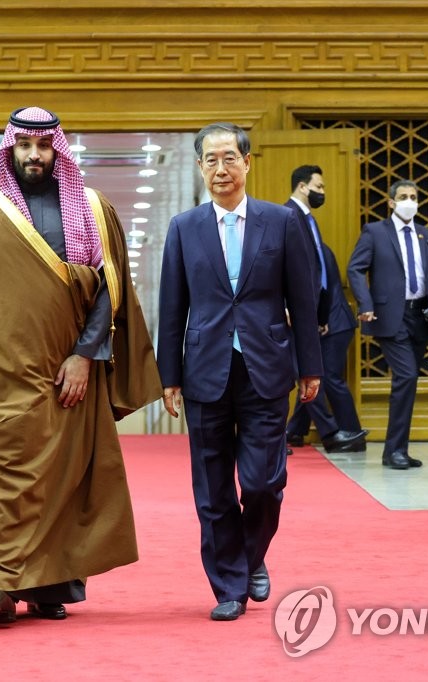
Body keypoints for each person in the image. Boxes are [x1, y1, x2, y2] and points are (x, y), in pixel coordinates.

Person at [0, 106, 160, 624]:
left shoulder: (92, 208)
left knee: (61, 480)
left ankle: (48, 585)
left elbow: (109, 290)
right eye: (24, 146)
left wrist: (85, 355)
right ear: (8, 150)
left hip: (66, 375)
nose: (34, 155)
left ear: (57, 149)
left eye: (43, 146)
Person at [158, 122, 322, 622]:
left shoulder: (280, 223)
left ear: (248, 163)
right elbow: (172, 308)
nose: (221, 168)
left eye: (230, 158)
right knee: (212, 487)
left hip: (267, 367)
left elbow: (303, 297)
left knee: (263, 482)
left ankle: (252, 556)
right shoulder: (184, 228)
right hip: (205, 368)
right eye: (211, 159)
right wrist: (169, 376)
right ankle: (229, 584)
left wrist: (309, 366)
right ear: (200, 167)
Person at [347, 179, 428, 469]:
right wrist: (366, 304)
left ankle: (396, 450)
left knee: (408, 383)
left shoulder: (427, 234)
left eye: (413, 196)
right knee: (407, 377)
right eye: (403, 197)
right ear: (391, 202)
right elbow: (355, 268)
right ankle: (394, 449)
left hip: (421, 316)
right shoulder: (375, 232)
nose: (409, 201)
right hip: (390, 316)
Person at [283, 165, 367, 453]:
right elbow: (294, 270)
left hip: (311, 310)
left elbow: (316, 271)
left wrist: (319, 313)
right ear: (303, 187)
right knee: (308, 372)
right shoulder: (288, 216)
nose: (323, 192)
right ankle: (331, 433)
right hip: (295, 311)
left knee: (310, 371)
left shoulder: (307, 219)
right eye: (319, 186)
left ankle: (293, 431)